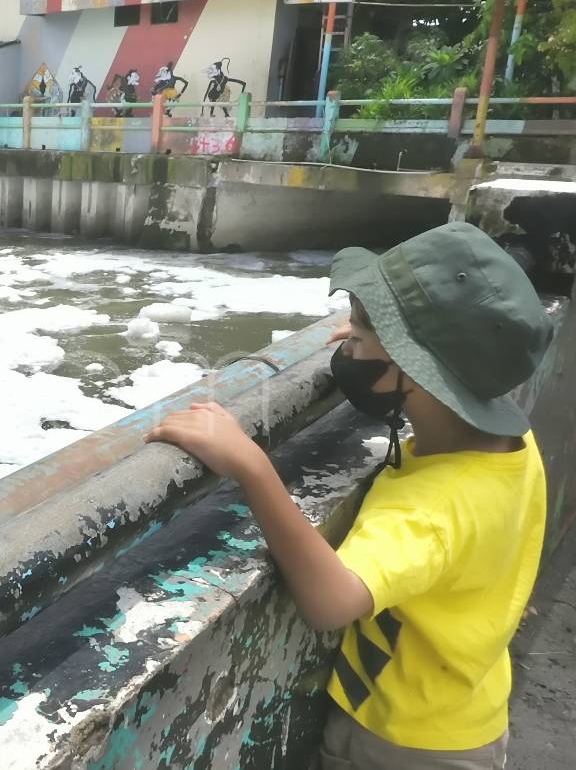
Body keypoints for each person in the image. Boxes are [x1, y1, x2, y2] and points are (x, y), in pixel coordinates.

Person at [145, 222, 554, 770]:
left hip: (399, 742)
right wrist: (376, 346)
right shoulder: (512, 441)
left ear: (413, 370)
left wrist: (251, 465)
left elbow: (332, 601)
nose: (350, 345)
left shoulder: (433, 509)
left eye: (361, 338)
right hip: (468, 704)